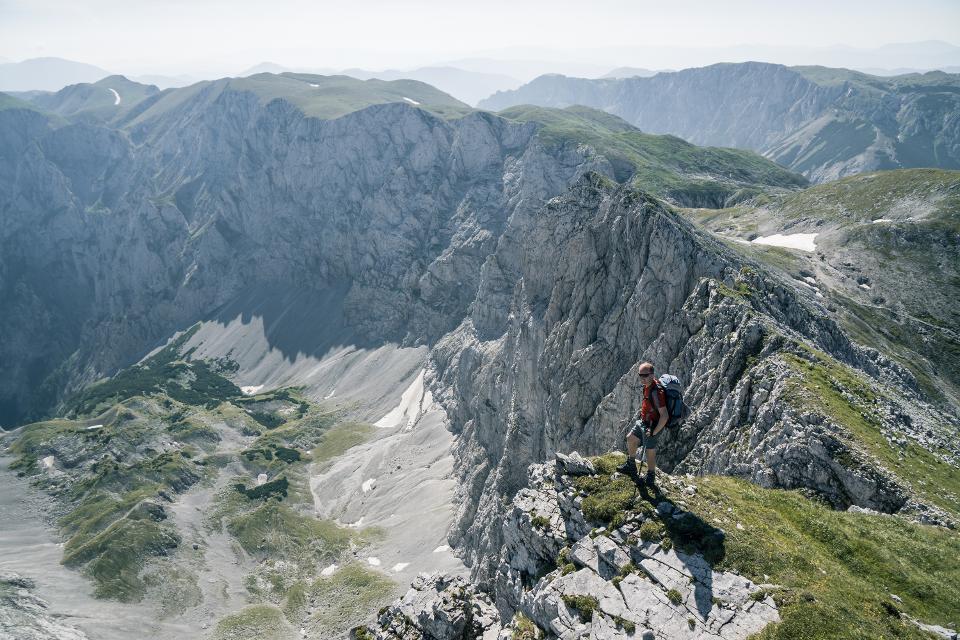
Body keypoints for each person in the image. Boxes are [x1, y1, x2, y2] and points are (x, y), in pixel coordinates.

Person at [618, 362, 668, 487]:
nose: (642, 378)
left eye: (645, 375)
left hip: (653, 426)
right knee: (630, 438)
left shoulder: (658, 392)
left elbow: (665, 416)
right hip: (644, 422)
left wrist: (654, 432)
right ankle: (631, 465)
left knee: (649, 451)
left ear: (652, 375)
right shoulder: (647, 386)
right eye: (640, 375)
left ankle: (651, 476)